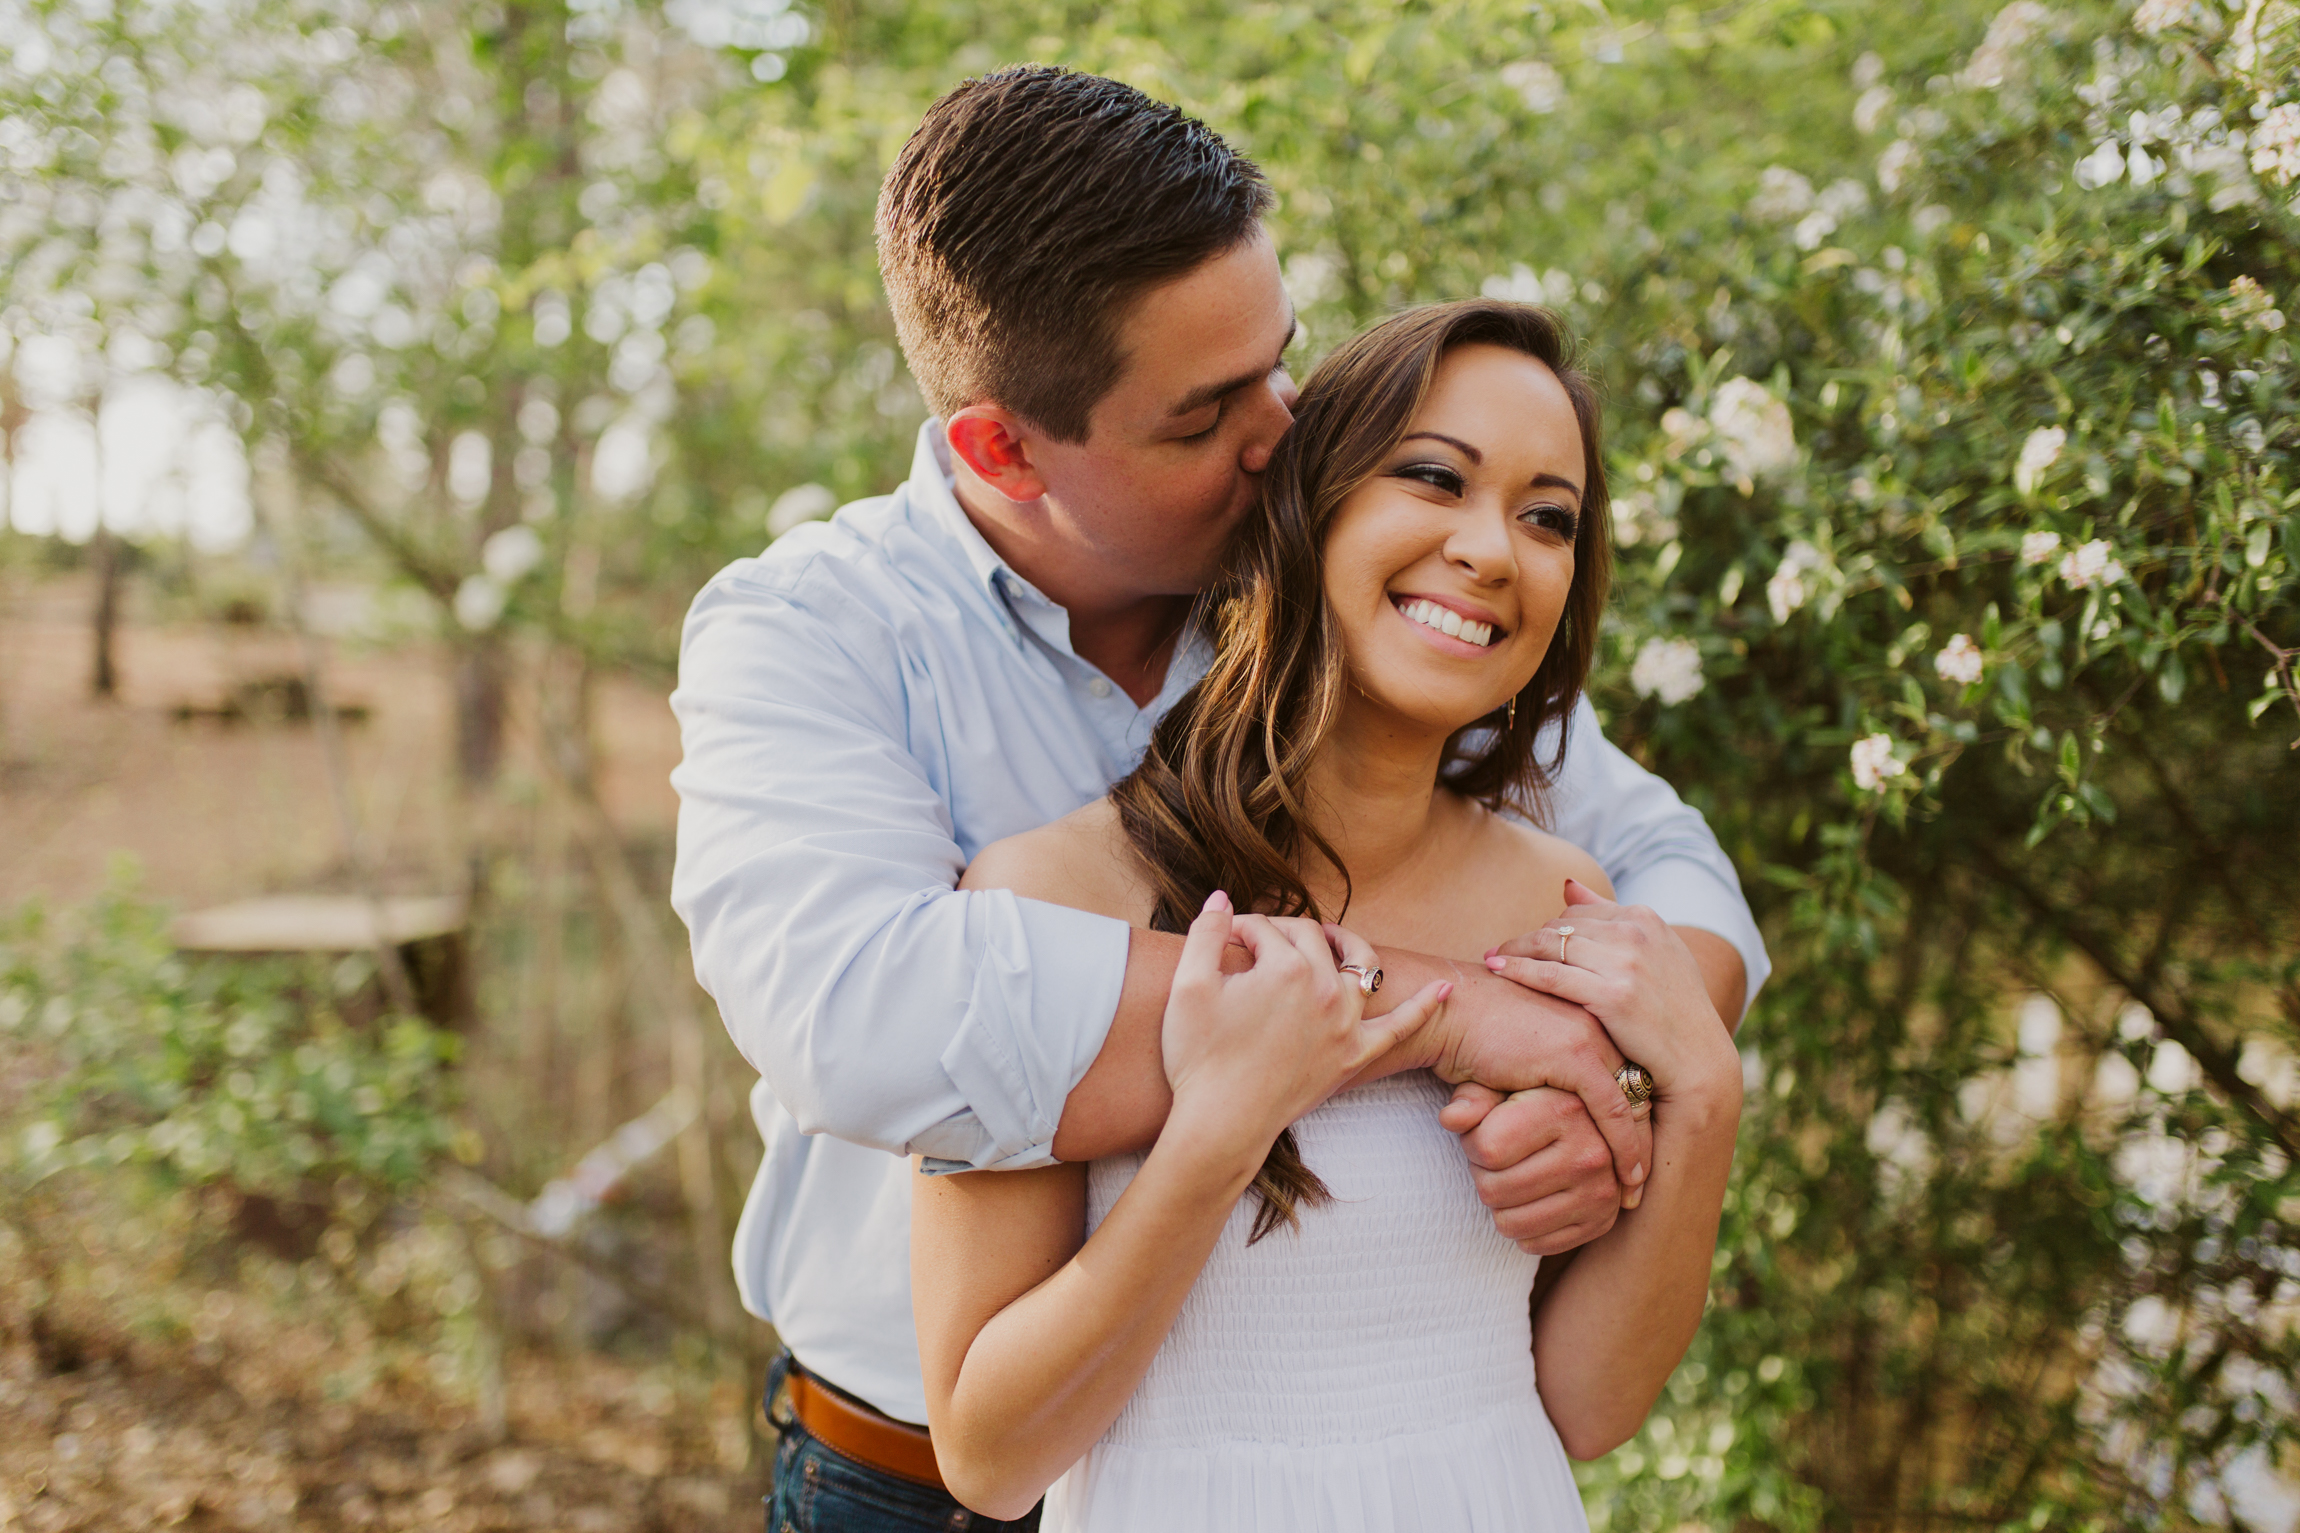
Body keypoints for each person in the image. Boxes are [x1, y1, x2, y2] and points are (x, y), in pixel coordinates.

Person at [668, 66, 1768, 1533]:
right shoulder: (814, 632)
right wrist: (1437, 1011)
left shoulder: (1331, 592)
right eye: (1204, 414)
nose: (1280, 432)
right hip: (908, 1472)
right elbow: (869, 1015)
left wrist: (1615, 1065)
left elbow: (1671, 879)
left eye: (1279, 365)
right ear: (1004, 446)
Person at [910, 300, 1745, 1530]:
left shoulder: (1560, 902)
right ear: (1309, 503)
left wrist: (1702, 1098)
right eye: (1432, 478)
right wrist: (1215, 1135)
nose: (1492, 551)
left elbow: (1582, 1404)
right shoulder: (1056, 896)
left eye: (1546, 517)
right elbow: (986, 1456)